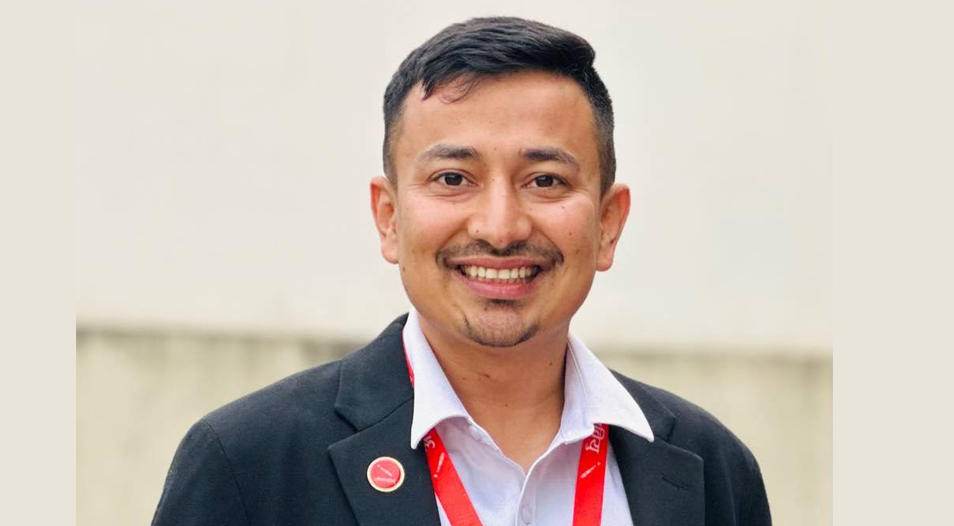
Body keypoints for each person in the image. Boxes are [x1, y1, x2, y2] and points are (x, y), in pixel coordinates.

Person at [151, 16, 771, 526]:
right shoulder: (251, 465)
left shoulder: (709, 470)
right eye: (453, 178)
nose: (500, 228)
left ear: (608, 224)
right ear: (389, 218)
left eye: (545, 180)